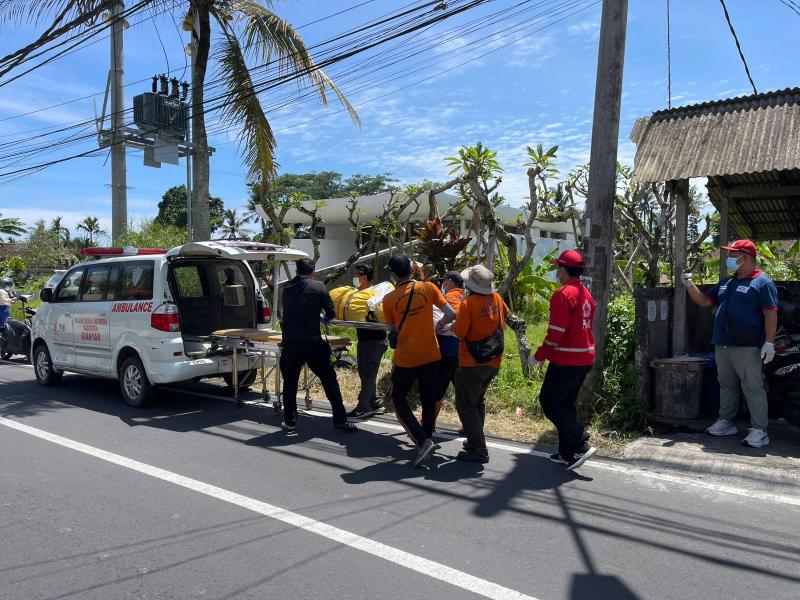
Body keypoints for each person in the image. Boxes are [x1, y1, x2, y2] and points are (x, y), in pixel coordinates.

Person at [681, 239, 778, 448]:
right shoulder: (727, 282)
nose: (730, 259)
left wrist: (769, 343)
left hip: (748, 345)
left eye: (734, 255)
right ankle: (726, 421)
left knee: (752, 386)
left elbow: (770, 313)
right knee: (726, 384)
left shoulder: (762, 282)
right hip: (723, 343)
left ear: (746, 257)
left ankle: (760, 430)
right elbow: (705, 301)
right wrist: (689, 284)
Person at [383, 254, 455, 467]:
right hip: (431, 353)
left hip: (407, 356)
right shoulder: (429, 288)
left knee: (397, 397)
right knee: (429, 397)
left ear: (393, 274)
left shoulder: (389, 299)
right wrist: (439, 325)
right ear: (412, 270)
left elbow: (393, 330)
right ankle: (428, 437)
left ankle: (423, 441)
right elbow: (450, 314)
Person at [531, 249, 597, 471]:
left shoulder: (563, 294)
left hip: (567, 359)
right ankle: (567, 452)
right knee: (566, 404)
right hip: (585, 357)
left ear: (563, 269)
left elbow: (557, 332)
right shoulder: (586, 293)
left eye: (558, 268)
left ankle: (579, 440)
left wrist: (540, 356)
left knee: (549, 402)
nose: (556, 273)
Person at [279, 258, 358, 433]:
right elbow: (330, 313)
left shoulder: (287, 288)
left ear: (297, 271)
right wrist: (321, 316)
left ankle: (290, 422)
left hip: (291, 343)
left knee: (290, 383)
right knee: (329, 381)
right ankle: (340, 420)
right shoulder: (318, 286)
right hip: (312, 342)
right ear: (313, 271)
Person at [450, 265, 507, 463]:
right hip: (493, 360)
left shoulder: (468, 304)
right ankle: (475, 441)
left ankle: (479, 450)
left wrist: (451, 326)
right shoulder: (497, 298)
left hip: (472, 362)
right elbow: (504, 317)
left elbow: (460, 332)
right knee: (477, 402)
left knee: (466, 405)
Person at [347, 262, 388, 419]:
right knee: (365, 373)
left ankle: (363, 407)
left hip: (375, 339)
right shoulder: (358, 294)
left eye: (356, 275)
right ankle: (375, 402)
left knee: (368, 373)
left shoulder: (374, 295)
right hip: (365, 339)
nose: (354, 278)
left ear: (363, 278)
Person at [433, 271, 465, 427]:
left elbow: (455, 315)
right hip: (462, 351)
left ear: (450, 282)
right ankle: (468, 424)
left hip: (448, 350)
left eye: (443, 282)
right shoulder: (465, 296)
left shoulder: (452, 296)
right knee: (461, 389)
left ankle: (429, 421)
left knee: (437, 388)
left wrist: (440, 326)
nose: (442, 285)